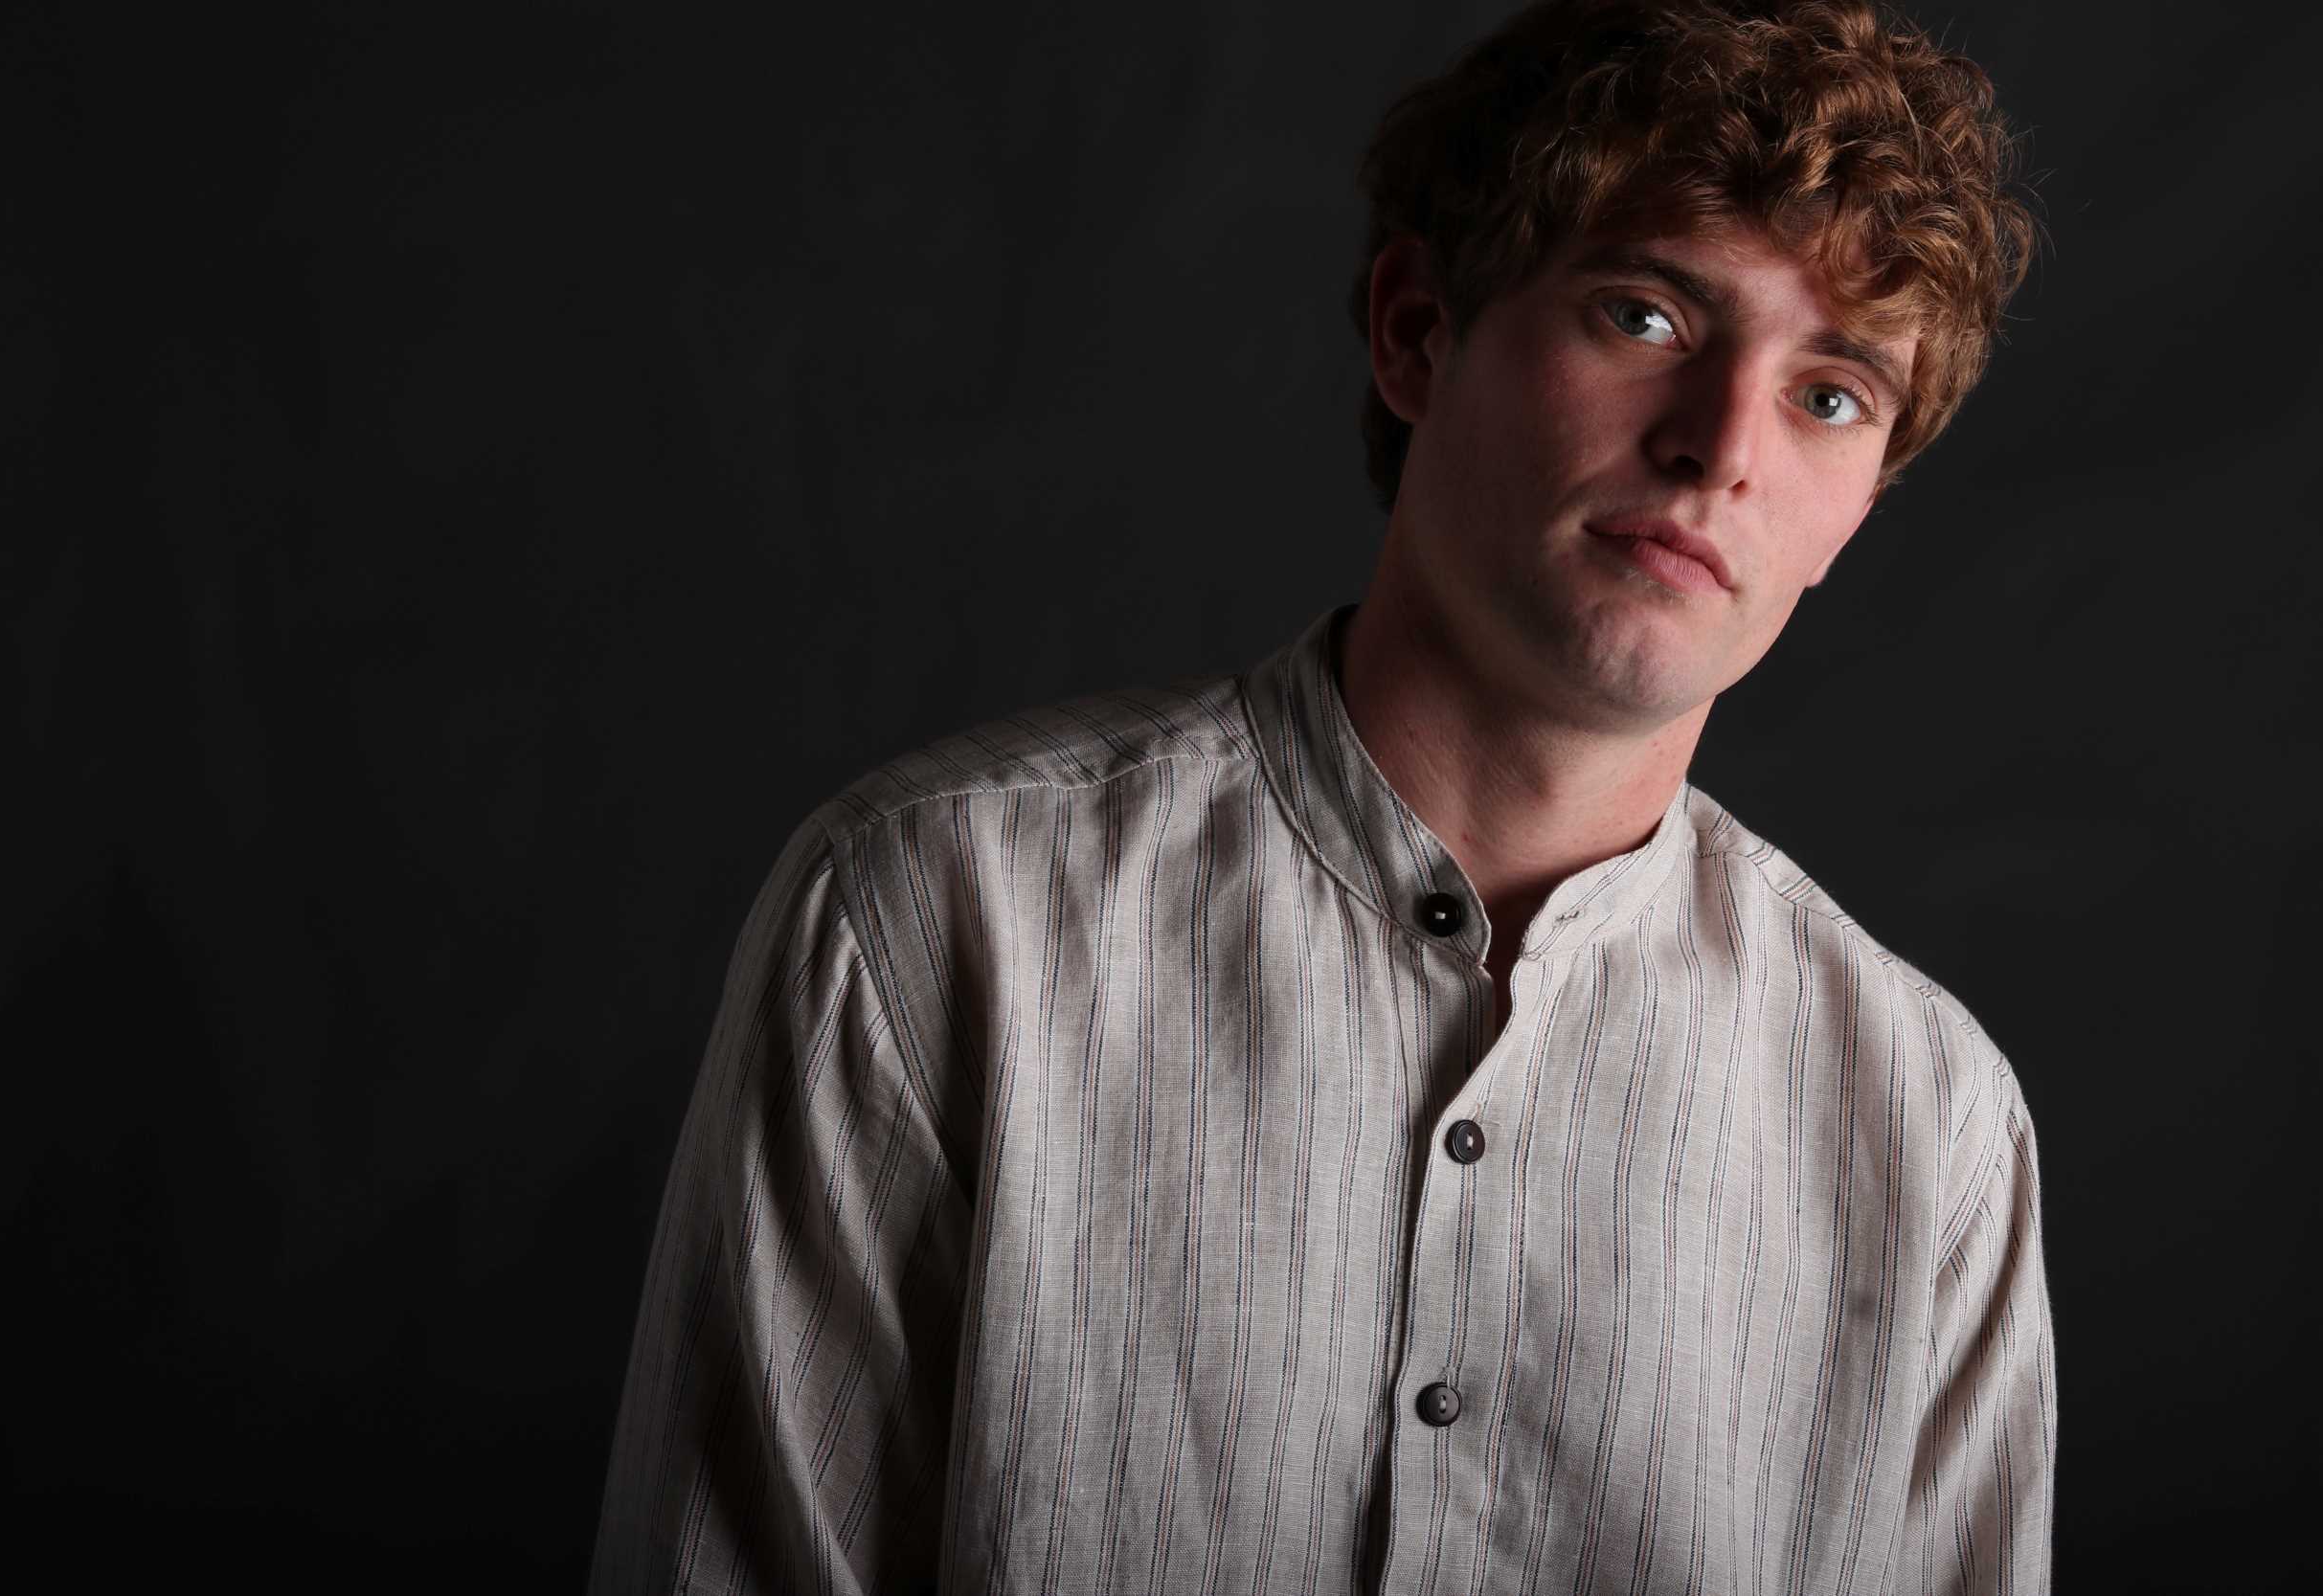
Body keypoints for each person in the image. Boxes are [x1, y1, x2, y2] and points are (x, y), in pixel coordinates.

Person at [590, 0, 2054, 1589]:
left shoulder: (1933, 1126)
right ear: (1415, 330)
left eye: (1831, 394)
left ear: (1860, 508)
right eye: (1646, 315)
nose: (1721, 451)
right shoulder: (931, 917)